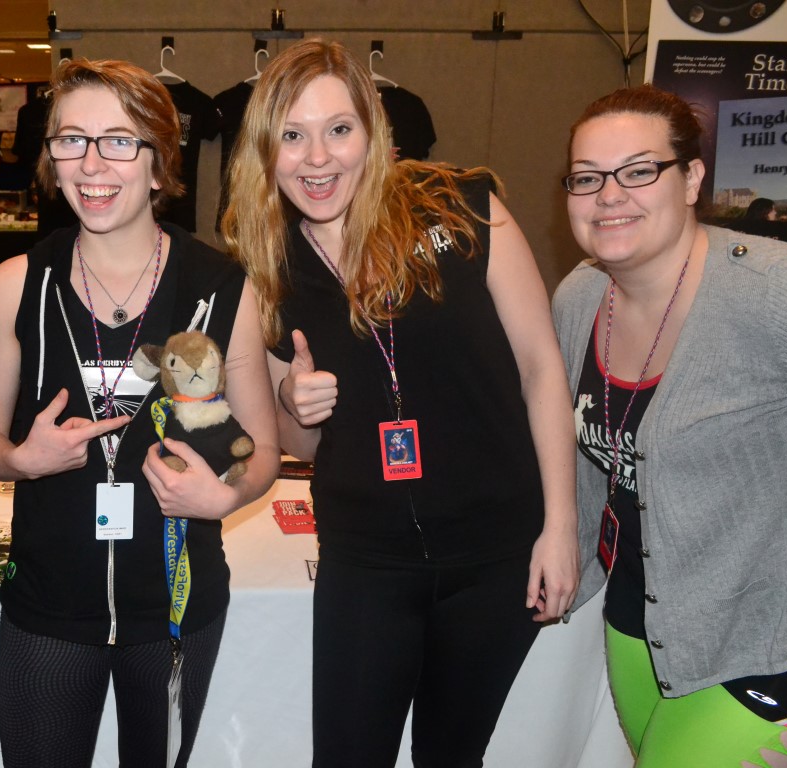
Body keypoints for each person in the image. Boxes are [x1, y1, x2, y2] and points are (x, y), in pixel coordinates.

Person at [221, 39, 579, 767]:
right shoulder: (268, 268)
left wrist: (561, 525)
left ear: (372, 130)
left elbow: (543, 369)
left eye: (338, 129)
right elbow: (302, 445)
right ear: (266, 150)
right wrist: (294, 403)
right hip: (366, 559)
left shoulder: (464, 210)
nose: (318, 158)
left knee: (452, 755)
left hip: (496, 551)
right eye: (292, 136)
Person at [0, 58, 278, 768]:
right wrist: (18, 460)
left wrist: (224, 495)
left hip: (174, 608)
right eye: (71, 140)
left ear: (160, 164)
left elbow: (260, 450)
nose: (92, 162)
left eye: (119, 141)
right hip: (49, 605)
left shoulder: (222, 288)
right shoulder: (17, 283)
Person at [553, 84, 787, 765]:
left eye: (639, 170)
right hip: (638, 628)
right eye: (588, 177)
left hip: (766, 647)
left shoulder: (777, 292)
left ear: (692, 178)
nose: (610, 195)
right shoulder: (580, 296)